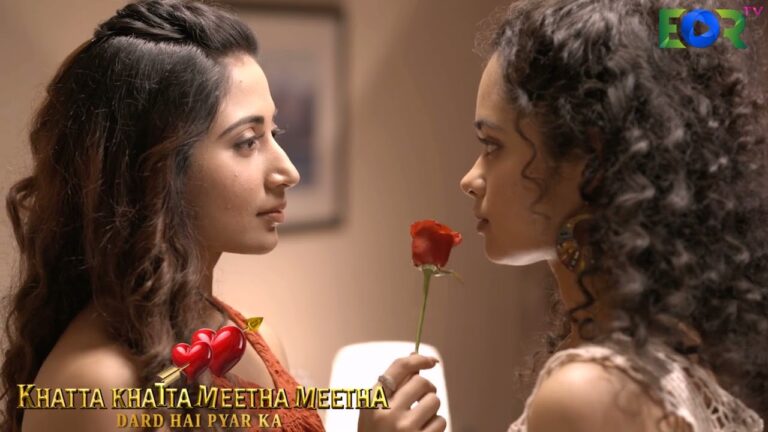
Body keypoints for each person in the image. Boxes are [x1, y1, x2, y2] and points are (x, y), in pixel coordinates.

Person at [0, 1, 445, 431]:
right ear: (155, 168)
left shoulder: (254, 338)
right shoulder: (97, 388)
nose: (288, 171)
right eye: (248, 141)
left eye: (275, 132)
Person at [460, 0, 767, 430]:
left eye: (492, 145)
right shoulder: (682, 348)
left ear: (591, 158)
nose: (469, 179)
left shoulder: (587, 394)